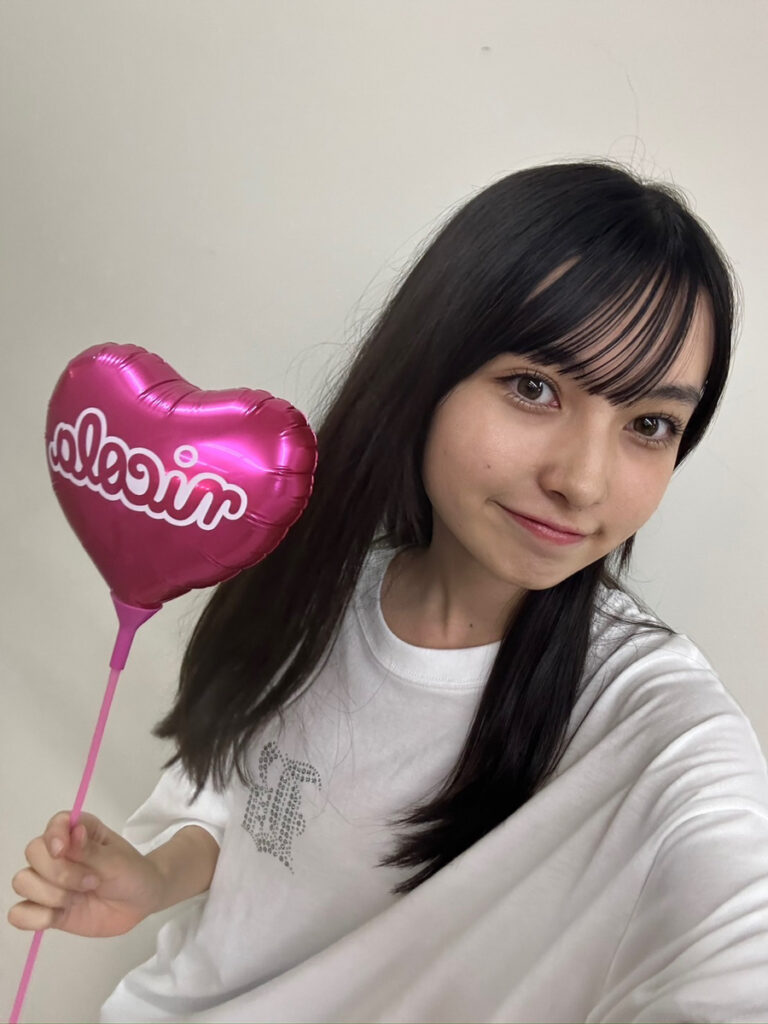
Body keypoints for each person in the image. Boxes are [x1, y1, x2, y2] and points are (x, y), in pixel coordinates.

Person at [9, 159, 768, 1023]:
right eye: (534, 388)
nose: (584, 482)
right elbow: (243, 811)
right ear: (428, 371)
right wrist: (151, 878)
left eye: (650, 424)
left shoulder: (655, 724)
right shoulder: (317, 591)